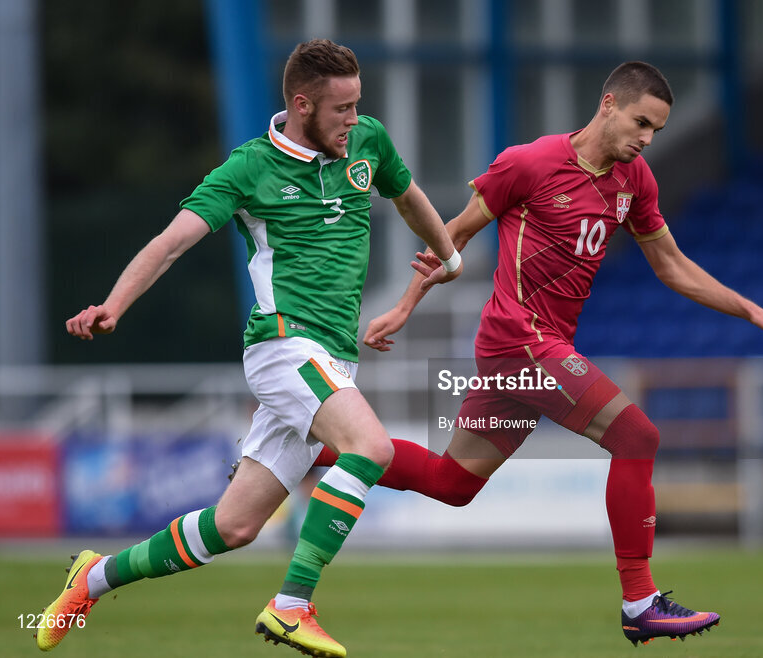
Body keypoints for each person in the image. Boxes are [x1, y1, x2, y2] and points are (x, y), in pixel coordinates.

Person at [309, 61, 763, 646]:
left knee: (453, 483)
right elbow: (453, 236)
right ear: (607, 103)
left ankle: (312, 453)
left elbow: (671, 265)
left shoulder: (634, 180)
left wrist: (750, 310)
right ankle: (640, 601)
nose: (647, 139)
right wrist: (404, 305)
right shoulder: (528, 163)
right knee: (638, 437)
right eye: (641, 122)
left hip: (535, 351)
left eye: (656, 130)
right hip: (518, 340)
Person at [38, 39, 461, 657]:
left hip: (332, 357)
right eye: (341, 108)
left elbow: (408, 196)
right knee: (369, 446)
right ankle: (292, 606)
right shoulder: (247, 169)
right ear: (301, 104)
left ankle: (90, 579)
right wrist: (113, 305)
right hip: (284, 345)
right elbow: (169, 242)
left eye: (356, 105)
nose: (353, 119)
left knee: (233, 527)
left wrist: (448, 255)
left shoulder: (368, 141)